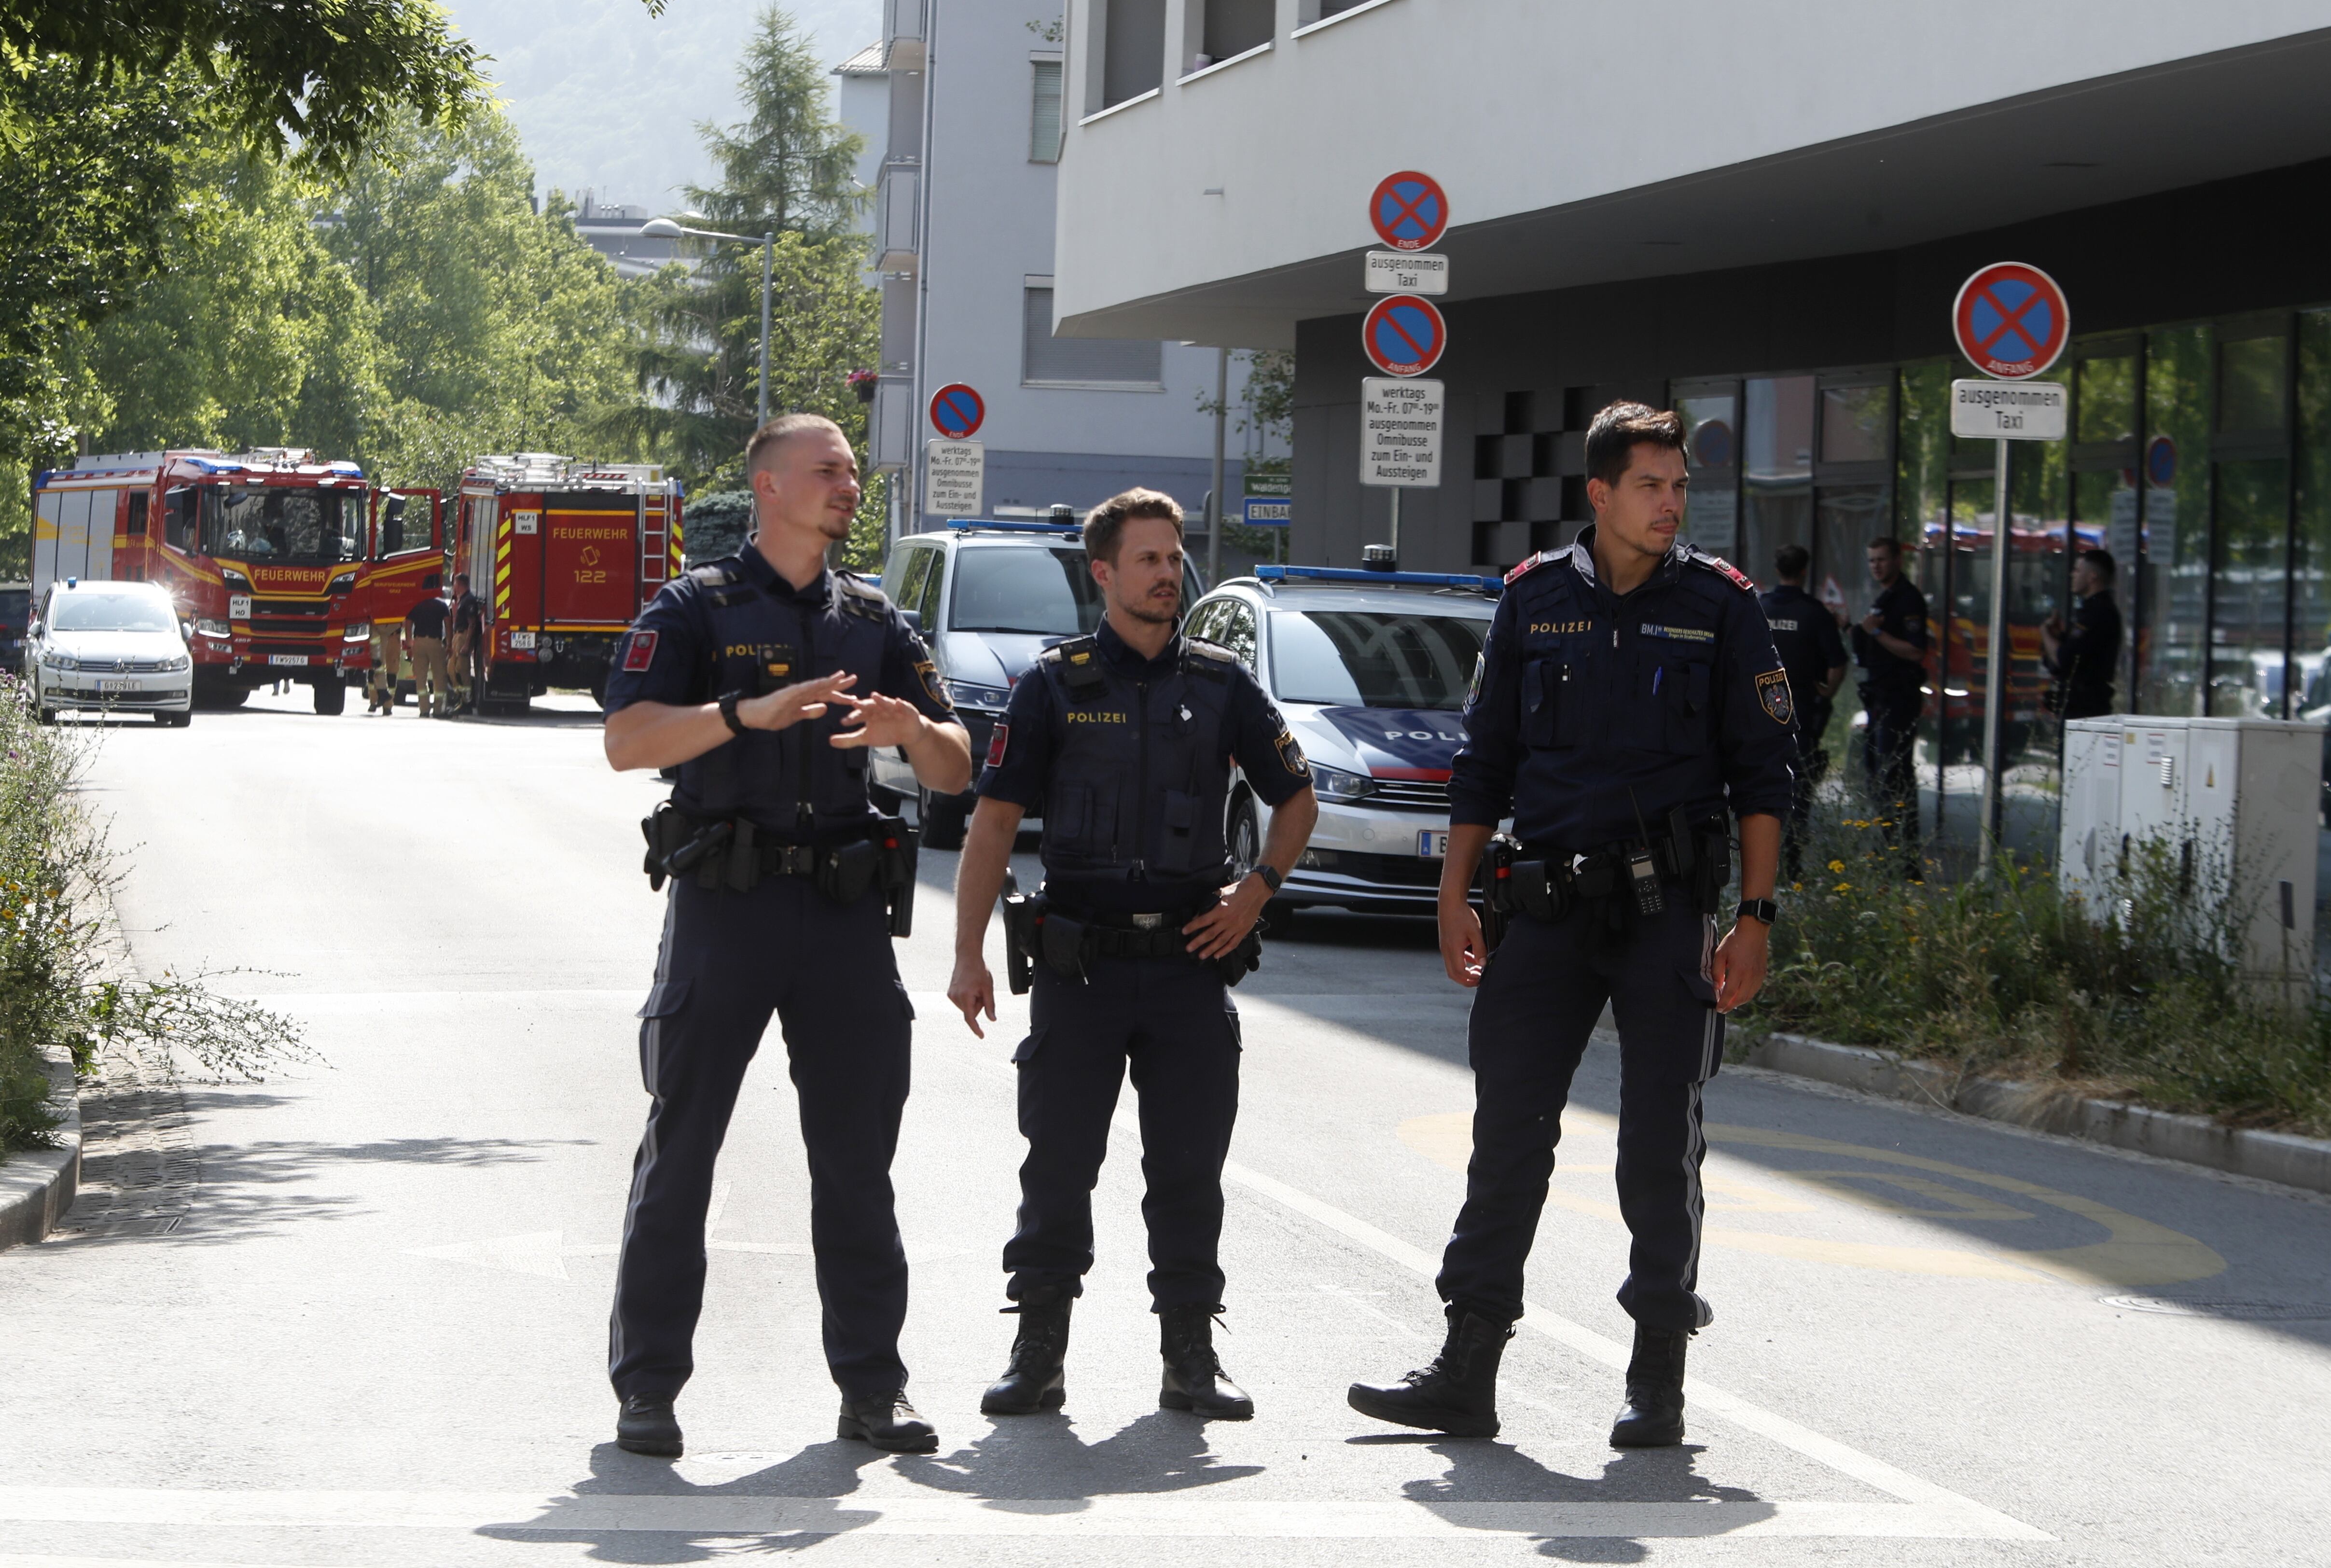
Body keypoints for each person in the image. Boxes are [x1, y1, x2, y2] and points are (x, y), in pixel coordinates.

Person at [1346, 403, 1793, 1449]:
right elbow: (1484, 759)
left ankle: (1657, 1375)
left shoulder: (1720, 607)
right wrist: (1455, 892)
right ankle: (1466, 1365)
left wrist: (1756, 917)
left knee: (1656, 1148)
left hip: (1663, 912)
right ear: (1599, 494)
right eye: (1652, 485)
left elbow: (1765, 777)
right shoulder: (1533, 600)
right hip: (1541, 908)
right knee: (1507, 1136)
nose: (1671, 504)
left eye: (1680, 487)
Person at [599, 414, 971, 1461]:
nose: (848, 483)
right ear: (768, 485)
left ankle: (873, 1390)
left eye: (852, 470)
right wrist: (743, 713)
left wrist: (916, 734)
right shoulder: (695, 608)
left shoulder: (874, 620)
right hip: (730, 904)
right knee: (685, 1149)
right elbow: (628, 741)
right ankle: (649, 1390)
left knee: (859, 1163)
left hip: (846, 916)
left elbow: (956, 765)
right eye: (827, 470)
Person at [948, 488, 1319, 1423]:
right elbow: (993, 823)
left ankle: (1190, 1358)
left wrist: (1256, 888)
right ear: (1104, 572)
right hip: (1082, 967)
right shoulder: (1054, 683)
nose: (1167, 573)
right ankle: (1038, 1352)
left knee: (1188, 1169)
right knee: (1059, 1165)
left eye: (1175, 556)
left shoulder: (1222, 681)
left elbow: (1297, 795)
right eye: (1148, 558)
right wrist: (968, 954)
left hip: (1193, 963)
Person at [1759, 545, 1848, 881]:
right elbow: (1838, 664)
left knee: (1760, 787)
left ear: (1778, 570)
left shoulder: (1760, 607)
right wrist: (1828, 690)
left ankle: (1761, 865)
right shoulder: (1814, 613)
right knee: (1797, 791)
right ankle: (1790, 865)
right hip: (1800, 717)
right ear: (1804, 572)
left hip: (1761, 715)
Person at [1849, 536, 1929, 865]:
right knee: (1878, 774)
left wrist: (1877, 634)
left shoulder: (1908, 600)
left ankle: (1902, 854)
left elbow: (1915, 650)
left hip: (1898, 699)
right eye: (1871, 560)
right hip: (1879, 698)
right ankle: (1889, 847)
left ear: (1898, 560)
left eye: (1881, 559)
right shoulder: (1885, 598)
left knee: (1893, 775)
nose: (1876, 566)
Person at [2040, 548, 2122, 722]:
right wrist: (2057, 639)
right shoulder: (2087, 612)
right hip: (2076, 709)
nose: (2072, 575)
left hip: (2085, 711)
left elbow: (2064, 659)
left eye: (2078, 570)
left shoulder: (2098, 613)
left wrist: (2045, 633)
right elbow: (2055, 664)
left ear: (2093, 576)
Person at [402, 587, 453, 719]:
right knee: (439, 677)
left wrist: (409, 641)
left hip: (419, 643)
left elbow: (408, 623)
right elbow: (448, 625)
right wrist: (449, 645)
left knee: (420, 677)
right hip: (436, 644)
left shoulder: (417, 604)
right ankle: (439, 710)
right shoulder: (442, 605)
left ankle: (424, 710)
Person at [447, 573, 486, 715]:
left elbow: (472, 624)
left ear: (461, 584)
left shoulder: (469, 600)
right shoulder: (462, 599)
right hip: (458, 636)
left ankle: (467, 702)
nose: (454, 587)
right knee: (451, 669)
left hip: (464, 637)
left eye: (455, 584)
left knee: (463, 670)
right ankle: (460, 698)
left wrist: (467, 645)